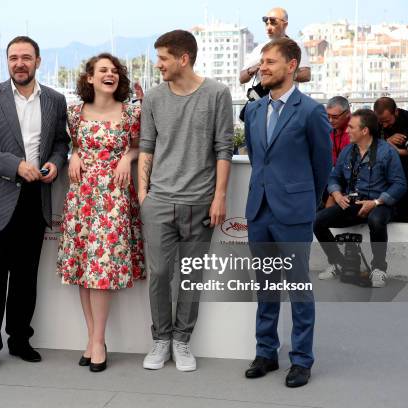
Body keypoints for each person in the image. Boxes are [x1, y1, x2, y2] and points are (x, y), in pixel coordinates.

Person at [0, 36, 70, 371]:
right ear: (7, 62)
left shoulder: (55, 99)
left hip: (35, 199)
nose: (19, 63)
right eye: (13, 58)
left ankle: (20, 339)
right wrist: (15, 165)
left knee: (26, 277)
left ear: (38, 61)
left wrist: (55, 161)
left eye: (26, 57)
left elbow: (59, 142)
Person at [139, 29, 233, 372]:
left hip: (200, 201)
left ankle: (182, 341)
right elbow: (146, 146)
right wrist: (143, 195)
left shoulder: (218, 93)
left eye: (163, 58)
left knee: (191, 276)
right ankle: (161, 339)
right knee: (160, 273)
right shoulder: (153, 97)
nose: (158, 64)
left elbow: (225, 148)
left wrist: (219, 196)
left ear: (184, 58)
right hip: (159, 201)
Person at [243, 38, 331, 388]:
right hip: (259, 211)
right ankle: (266, 352)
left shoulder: (310, 111)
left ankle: (302, 360)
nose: (262, 67)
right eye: (261, 61)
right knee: (265, 286)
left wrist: (306, 203)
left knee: (297, 288)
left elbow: (322, 165)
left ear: (291, 65)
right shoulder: (252, 110)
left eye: (269, 62)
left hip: (293, 212)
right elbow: (255, 156)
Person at [57, 53, 145, 373]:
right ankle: (95, 339)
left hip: (114, 199)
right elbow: (76, 144)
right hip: (82, 198)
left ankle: (97, 341)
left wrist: (127, 158)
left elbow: (140, 145)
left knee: (102, 270)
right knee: (84, 269)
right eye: (102, 70)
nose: (110, 74)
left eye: (114, 71)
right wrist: (75, 153)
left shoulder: (131, 112)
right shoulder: (75, 113)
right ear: (90, 78)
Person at [314, 109, 406, 288]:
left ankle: (379, 269)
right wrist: (337, 194)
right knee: (317, 221)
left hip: (380, 203)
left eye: (351, 127)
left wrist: (376, 202)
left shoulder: (387, 152)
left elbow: (400, 184)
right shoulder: (348, 151)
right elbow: (334, 178)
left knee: (376, 219)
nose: (347, 130)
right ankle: (337, 262)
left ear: (365, 131)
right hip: (353, 203)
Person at [374, 97, 408, 221]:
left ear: (396, 112)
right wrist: (386, 142)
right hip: (384, 165)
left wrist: (400, 152)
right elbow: (369, 144)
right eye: (381, 122)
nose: (384, 125)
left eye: (387, 121)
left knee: (405, 195)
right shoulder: (374, 122)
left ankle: (404, 219)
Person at [239, 7, 311, 86]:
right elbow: (241, 78)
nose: (268, 28)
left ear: (285, 25)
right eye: (267, 24)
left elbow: (306, 75)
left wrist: (282, 73)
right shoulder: (259, 49)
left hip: (289, 98)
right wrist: (251, 70)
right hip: (264, 97)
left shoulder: (296, 46)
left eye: (273, 23)